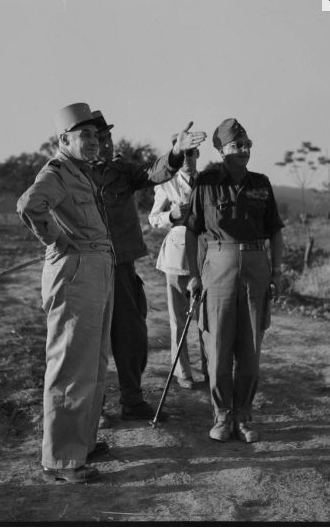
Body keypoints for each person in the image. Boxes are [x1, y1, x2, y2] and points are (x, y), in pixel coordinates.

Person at [85, 110, 207, 422]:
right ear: (85, 142)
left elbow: (153, 172)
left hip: (123, 267)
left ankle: (133, 401)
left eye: (109, 138)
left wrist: (177, 152)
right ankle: (91, 409)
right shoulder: (71, 177)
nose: (107, 145)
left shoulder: (122, 171)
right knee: (90, 341)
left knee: (132, 337)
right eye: (99, 139)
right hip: (88, 271)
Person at [17, 102, 113, 484]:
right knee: (71, 364)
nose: (93, 142)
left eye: (95, 135)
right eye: (84, 135)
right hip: (76, 272)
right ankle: (61, 459)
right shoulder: (56, 172)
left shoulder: (79, 172)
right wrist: (56, 239)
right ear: (64, 140)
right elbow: (29, 205)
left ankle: (83, 442)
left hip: (95, 267)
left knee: (93, 362)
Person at [185, 117, 284, 443]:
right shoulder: (206, 182)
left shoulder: (261, 182)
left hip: (256, 268)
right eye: (234, 146)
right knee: (218, 348)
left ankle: (243, 415)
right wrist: (195, 275)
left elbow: (275, 232)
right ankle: (222, 415)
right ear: (220, 149)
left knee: (251, 349)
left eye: (245, 144)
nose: (242, 150)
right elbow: (192, 230)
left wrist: (277, 271)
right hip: (219, 267)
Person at [148, 138, 208, 389]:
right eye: (183, 154)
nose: (188, 159)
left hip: (207, 256)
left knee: (207, 320)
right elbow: (153, 218)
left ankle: (211, 369)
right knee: (178, 319)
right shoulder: (167, 182)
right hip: (178, 253)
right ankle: (183, 372)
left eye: (192, 153)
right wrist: (170, 216)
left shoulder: (208, 181)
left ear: (197, 154)